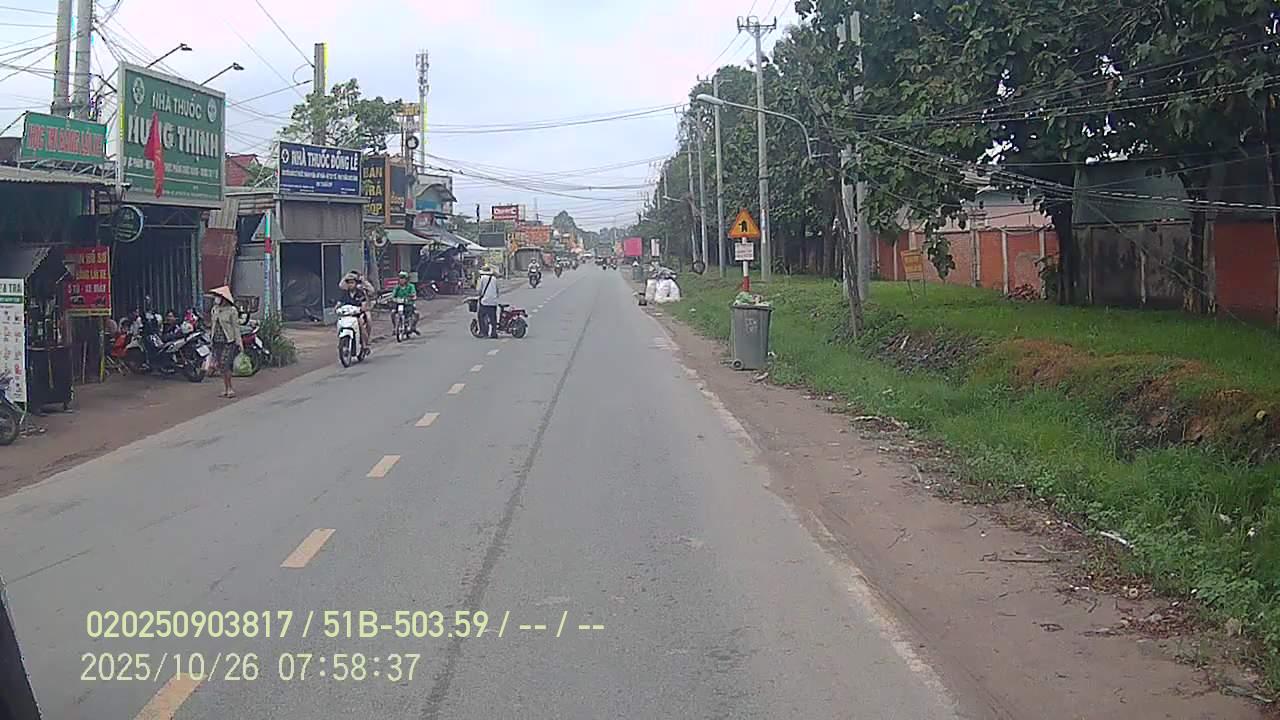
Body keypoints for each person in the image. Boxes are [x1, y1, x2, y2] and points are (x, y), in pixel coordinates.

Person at [207, 286, 243, 399]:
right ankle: (226, 388)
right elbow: (213, 325)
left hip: (229, 341)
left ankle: (230, 388)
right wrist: (210, 338)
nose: (216, 299)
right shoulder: (215, 310)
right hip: (216, 341)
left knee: (225, 364)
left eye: (218, 296)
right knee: (221, 366)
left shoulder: (232, 311)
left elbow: (236, 327)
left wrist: (239, 343)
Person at [337, 272, 373, 347]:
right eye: (349, 283)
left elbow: (371, 291)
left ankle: (365, 343)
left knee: (364, 321)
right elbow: (339, 301)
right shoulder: (345, 293)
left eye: (352, 282)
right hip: (348, 313)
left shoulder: (361, 292)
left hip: (359, 312)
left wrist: (363, 281)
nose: (350, 285)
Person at [391, 271, 420, 336]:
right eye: (400, 278)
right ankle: (395, 327)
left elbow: (414, 294)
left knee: (416, 314)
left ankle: (413, 327)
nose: (401, 280)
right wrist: (394, 299)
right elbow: (393, 296)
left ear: (406, 279)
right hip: (398, 304)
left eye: (403, 278)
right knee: (392, 313)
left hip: (409, 304)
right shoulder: (397, 287)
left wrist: (413, 297)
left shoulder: (411, 286)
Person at [477, 265, 500, 338]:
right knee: (493, 318)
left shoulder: (482, 279)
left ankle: (483, 332)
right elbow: (497, 290)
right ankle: (494, 333)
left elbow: (479, 290)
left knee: (481, 316)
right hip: (493, 302)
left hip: (485, 301)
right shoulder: (494, 279)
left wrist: (480, 295)